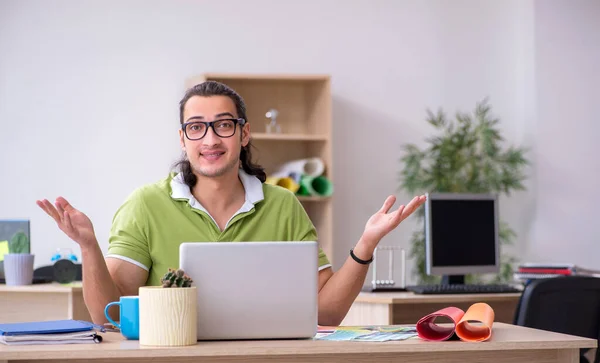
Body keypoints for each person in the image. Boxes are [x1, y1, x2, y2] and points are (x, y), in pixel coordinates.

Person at [37, 81, 426, 327]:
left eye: (224, 125)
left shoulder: (283, 205)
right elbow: (112, 314)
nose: (210, 139)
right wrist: (89, 247)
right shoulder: (145, 204)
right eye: (197, 127)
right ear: (183, 139)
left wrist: (365, 246)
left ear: (243, 134)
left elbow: (326, 313)